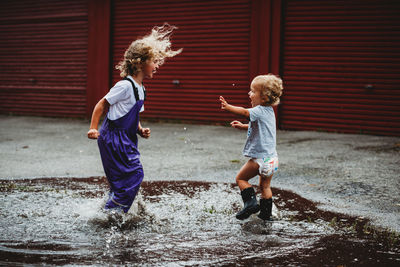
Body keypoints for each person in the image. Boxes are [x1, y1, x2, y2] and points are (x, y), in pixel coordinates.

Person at [87, 24, 182, 213]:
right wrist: (93, 127)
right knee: (135, 174)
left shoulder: (142, 89)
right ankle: (113, 213)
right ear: (140, 63)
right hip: (113, 137)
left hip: (127, 138)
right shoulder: (124, 86)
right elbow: (102, 104)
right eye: (154, 62)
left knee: (124, 178)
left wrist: (139, 129)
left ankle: (110, 209)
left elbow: (131, 113)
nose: (156, 66)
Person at [219, 74, 283, 220]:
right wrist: (244, 126)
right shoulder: (269, 112)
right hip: (272, 159)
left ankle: (250, 204)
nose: (249, 93)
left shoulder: (259, 110)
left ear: (264, 98)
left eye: (253, 91)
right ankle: (266, 214)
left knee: (241, 179)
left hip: (260, 159)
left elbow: (244, 111)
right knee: (265, 187)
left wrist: (228, 107)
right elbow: (261, 128)